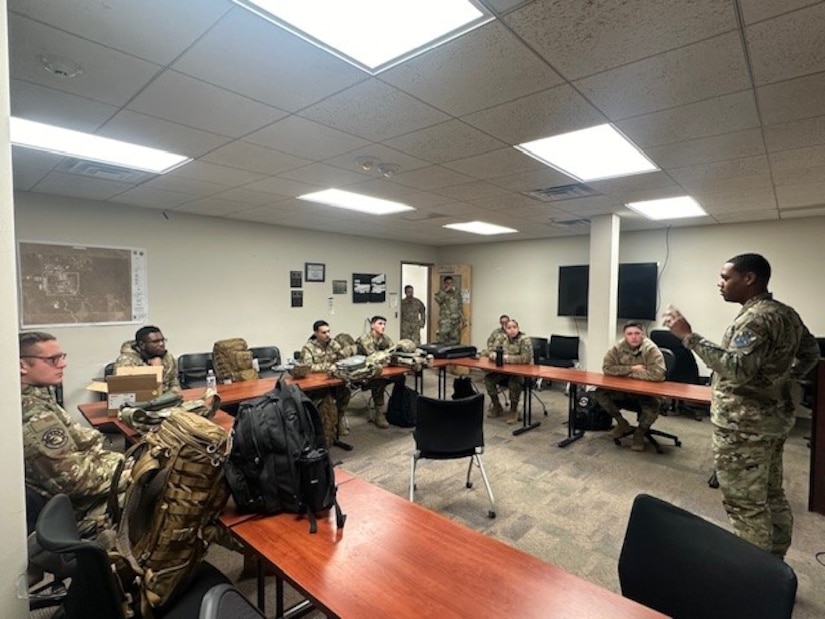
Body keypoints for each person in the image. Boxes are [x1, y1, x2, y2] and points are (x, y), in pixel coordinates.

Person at [663, 253, 819, 557]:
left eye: (726, 277)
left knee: (745, 504)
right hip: (772, 421)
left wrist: (688, 336)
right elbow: (812, 354)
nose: (720, 284)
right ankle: (777, 566)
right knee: (771, 494)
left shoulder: (756, 318)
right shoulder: (786, 313)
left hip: (744, 426)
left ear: (749, 279)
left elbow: (735, 368)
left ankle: (758, 582)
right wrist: (782, 380)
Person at [20, 331, 127, 535]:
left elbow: (84, 442)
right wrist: (131, 472)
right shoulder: (33, 415)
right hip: (77, 510)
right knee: (164, 491)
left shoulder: (40, 397)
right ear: (22, 365)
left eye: (62, 357)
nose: (62, 364)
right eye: (52, 359)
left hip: (84, 484)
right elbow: (75, 481)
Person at [593, 321, 666, 452]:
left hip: (647, 392)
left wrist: (629, 375)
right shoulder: (618, 347)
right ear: (624, 335)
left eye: (637, 333)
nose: (634, 337)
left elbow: (658, 375)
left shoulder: (651, 349)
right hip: (625, 391)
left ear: (642, 335)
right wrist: (632, 369)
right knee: (600, 392)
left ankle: (640, 432)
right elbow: (607, 368)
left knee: (653, 404)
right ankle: (622, 423)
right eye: (630, 334)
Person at [301, 320, 351, 437]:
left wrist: (345, 354)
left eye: (328, 331)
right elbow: (308, 367)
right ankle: (324, 426)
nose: (327, 335)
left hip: (332, 379)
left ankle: (339, 418)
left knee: (345, 392)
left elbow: (342, 359)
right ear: (316, 333)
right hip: (316, 383)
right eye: (324, 332)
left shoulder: (333, 344)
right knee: (324, 400)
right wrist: (328, 366)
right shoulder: (308, 348)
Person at [484, 319, 533, 424]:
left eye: (514, 327)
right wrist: (493, 355)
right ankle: (497, 406)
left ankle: (513, 410)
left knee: (514, 381)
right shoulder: (502, 338)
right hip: (505, 371)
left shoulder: (524, 339)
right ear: (505, 330)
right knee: (488, 379)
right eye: (509, 328)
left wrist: (507, 358)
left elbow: (526, 358)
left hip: (521, 373)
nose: (512, 330)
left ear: (518, 328)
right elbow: (491, 350)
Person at [115, 325, 180, 393]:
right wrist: (155, 369)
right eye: (155, 342)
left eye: (162, 340)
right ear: (142, 345)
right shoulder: (126, 361)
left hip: (167, 399)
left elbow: (174, 381)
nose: (161, 344)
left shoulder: (167, 356)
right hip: (140, 401)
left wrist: (175, 394)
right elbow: (125, 391)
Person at [357, 316, 395, 429]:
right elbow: (373, 357)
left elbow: (393, 352)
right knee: (379, 380)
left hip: (379, 369)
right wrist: (386, 357)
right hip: (362, 372)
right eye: (380, 323)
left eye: (384, 324)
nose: (383, 326)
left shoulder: (385, 338)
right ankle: (379, 413)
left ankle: (398, 407)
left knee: (400, 377)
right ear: (372, 325)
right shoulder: (365, 339)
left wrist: (387, 357)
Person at [434, 275, 464, 344]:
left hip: (455, 322)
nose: (449, 285)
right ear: (444, 284)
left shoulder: (457, 293)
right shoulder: (440, 293)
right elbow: (438, 300)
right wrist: (445, 291)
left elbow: (460, 307)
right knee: (442, 341)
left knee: (455, 341)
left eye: (451, 283)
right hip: (445, 322)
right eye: (447, 283)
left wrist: (462, 320)